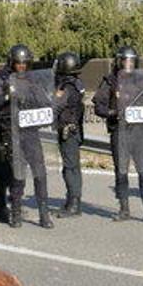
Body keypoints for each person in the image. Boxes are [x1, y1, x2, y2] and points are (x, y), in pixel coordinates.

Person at [0, 44, 55, 229]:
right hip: (12, 133)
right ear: (12, 63)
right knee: (18, 176)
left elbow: (45, 103)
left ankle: (44, 214)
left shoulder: (33, 81)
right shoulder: (2, 79)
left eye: (25, 63)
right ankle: (16, 213)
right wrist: (7, 96)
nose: (22, 67)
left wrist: (48, 106)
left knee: (40, 173)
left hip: (31, 133)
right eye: (18, 63)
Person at [93, 46, 143, 223]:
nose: (128, 64)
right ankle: (124, 209)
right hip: (120, 131)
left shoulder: (142, 79)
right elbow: (98, 106)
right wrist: (112, 113)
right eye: (125, 60)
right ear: (119, 61)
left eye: (131, 61)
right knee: (121, 171)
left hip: (139, 131)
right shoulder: (110, 81)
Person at [53, 51, 85, 218]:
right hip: (75, 130)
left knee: (70, 169)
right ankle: (72, 201)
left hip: (67, 131)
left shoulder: (65, 88)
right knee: (73, 167)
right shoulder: (77, 84)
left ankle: (73, 204)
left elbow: (56, 106)